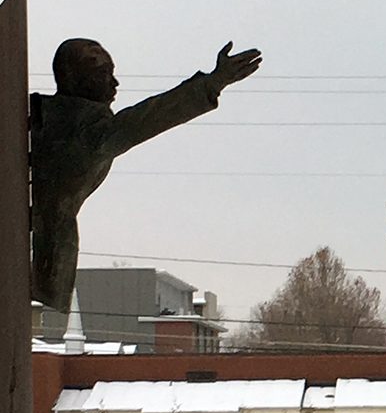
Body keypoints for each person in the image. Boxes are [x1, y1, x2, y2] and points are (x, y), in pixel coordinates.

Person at [31, 39, 262, 312]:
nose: (115, 83)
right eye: (103, 72)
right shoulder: (88, 134)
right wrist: (212, 84)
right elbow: (149, 118)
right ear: (71, 77)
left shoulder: (49, 116)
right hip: (31, 254)